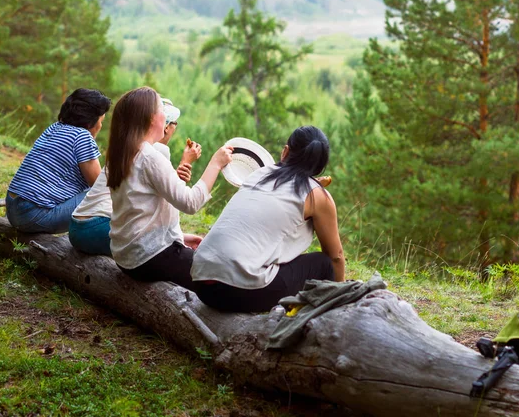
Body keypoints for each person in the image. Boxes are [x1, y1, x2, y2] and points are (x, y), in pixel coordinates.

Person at [191, 125, 345, 313]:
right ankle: (329, 314)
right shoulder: (318, 197)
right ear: (320, 166)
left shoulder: (260, 173)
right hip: (237, 292)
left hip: (200, 281)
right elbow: (336, 257)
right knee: (324, 263)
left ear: (286, 152)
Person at [106, 86, 233, 290]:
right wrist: (215, 164)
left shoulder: (123, 153)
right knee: (222, 271)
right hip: (149, 259)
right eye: (162, 110)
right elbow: (190, 203)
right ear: (151, 119)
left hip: (127, 255)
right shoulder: (150, 157)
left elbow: (140, 212)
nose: (166, 116)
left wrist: (178, 238)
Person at [68, 98, 201, 256]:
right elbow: (174, 201)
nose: (174, 128)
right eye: (174, 123)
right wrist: (186, 162)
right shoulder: (156, 151)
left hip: (78, 227)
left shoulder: (126, 148)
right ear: (165, 126)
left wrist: (180, 237)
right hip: (100, 227)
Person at [6, 88, 111, 234]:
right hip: (32, 214)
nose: (100, 126)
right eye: (101, 121)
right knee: (105, 195)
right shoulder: (82, 137)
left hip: (13, 208)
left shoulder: (54, 128)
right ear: (92, 121)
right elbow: (99, 186)